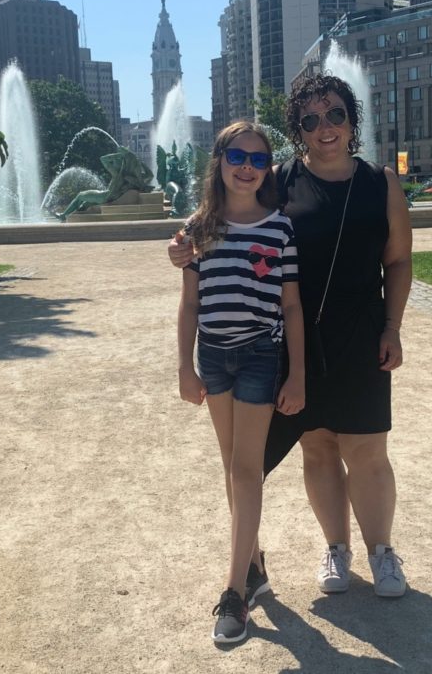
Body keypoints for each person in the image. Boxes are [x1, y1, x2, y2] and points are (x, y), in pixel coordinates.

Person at [170, 74, 413, 601]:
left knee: (367, 449)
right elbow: (223, 216)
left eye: (335, 115)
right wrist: (183, 246)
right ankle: (336, 548)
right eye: (311, 119)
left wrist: (393, 327)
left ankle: (382, 551)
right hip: (294, 340)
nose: (325, 127)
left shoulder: (381, 182)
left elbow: (397, 261)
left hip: (361, 332)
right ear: (298, 130)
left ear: (352, 120)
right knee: (318, 446)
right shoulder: (279, 179)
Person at [177, 120, 305, 644]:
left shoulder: (280, 228)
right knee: (231, 466)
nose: (248, 168)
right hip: (213, 355)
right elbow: (190, 304)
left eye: (258, 159)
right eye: (237, 157)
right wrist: (184, 366)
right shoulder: (197, 229)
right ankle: (253, 566)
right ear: (220, 162)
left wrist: (297, 374)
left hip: (258, 355)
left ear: (267, 168)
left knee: (247, 469)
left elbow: (291, 307)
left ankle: (234, 592)